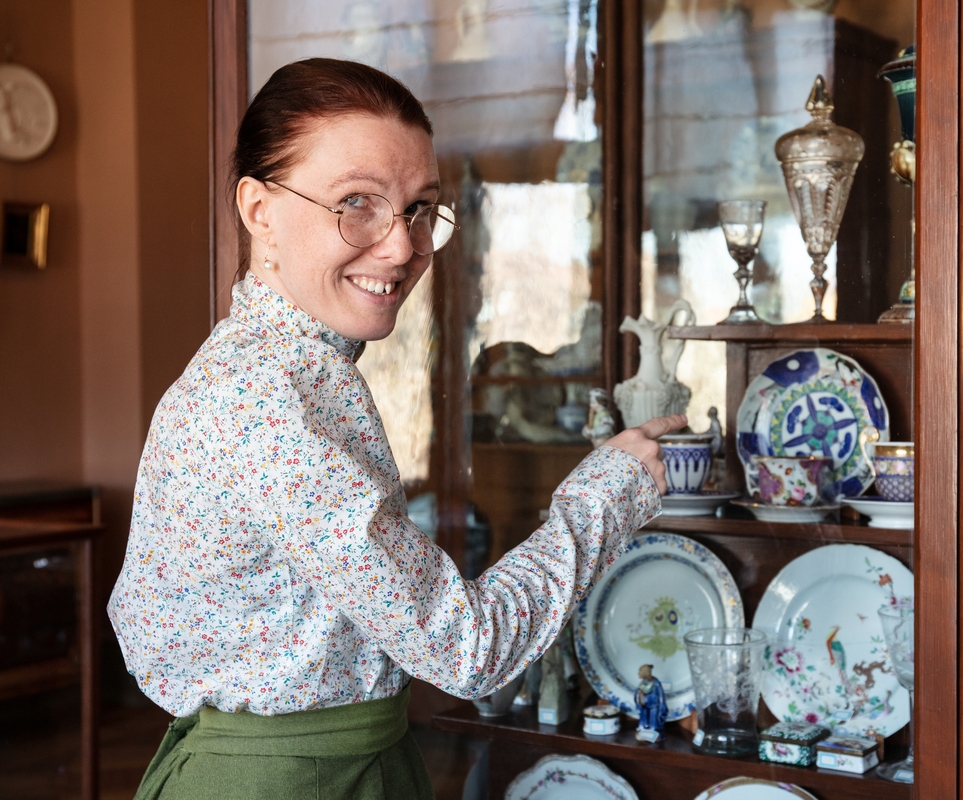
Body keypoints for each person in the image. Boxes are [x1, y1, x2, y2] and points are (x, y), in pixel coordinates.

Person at [108, 58, 684, 800]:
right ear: (259, 210)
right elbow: (468, 648)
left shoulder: (279, 370)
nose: (403, 246)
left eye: (419, 209)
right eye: (357, 202)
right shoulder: (270, 400)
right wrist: (610, 489)